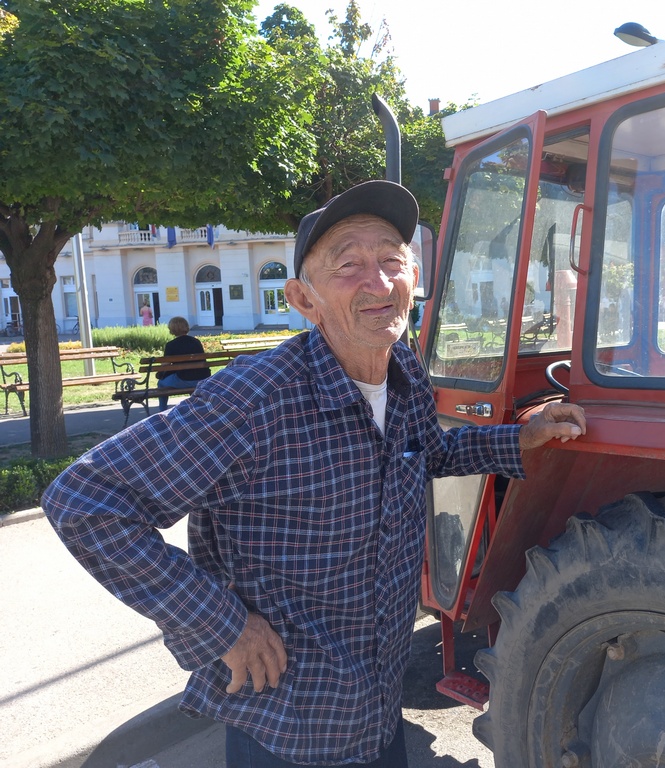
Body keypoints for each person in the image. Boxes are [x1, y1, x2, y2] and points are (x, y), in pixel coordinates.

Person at [42, 180, 586, 768]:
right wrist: (223, 626)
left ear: (414, 277)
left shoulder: (403, 373)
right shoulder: (256, 397)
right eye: (348, 265)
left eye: (390, 259)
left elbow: (428, 453)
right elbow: (86, 500)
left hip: (377, 713)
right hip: (289, 728)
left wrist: (522, 438)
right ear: (304, 299)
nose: (378, 283)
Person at [156, 316, 211, 412]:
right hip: (201, 378)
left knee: (161, 383)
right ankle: (195, 408)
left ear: (172, 329)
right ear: (186, 327)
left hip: (183, 379)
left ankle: (162, 410)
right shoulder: (196, 342)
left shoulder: (171, 345)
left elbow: (165, 365)